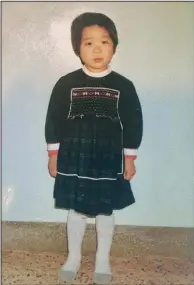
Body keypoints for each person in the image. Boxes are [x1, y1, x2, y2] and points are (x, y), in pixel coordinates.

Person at [45, 12, 143, 284]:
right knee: (75, 209)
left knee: (104, 209)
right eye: (88, 43)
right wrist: (53, 154)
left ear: (114, 46)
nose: (97, 49)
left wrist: (130, 159)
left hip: (108, 157)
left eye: (105, 42)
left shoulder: (123, 86)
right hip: (74, 157)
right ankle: (73, 257)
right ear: (78, 47)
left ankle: (102, 259)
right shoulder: (66, 84)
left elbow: (134, 124)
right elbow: (53, 120)